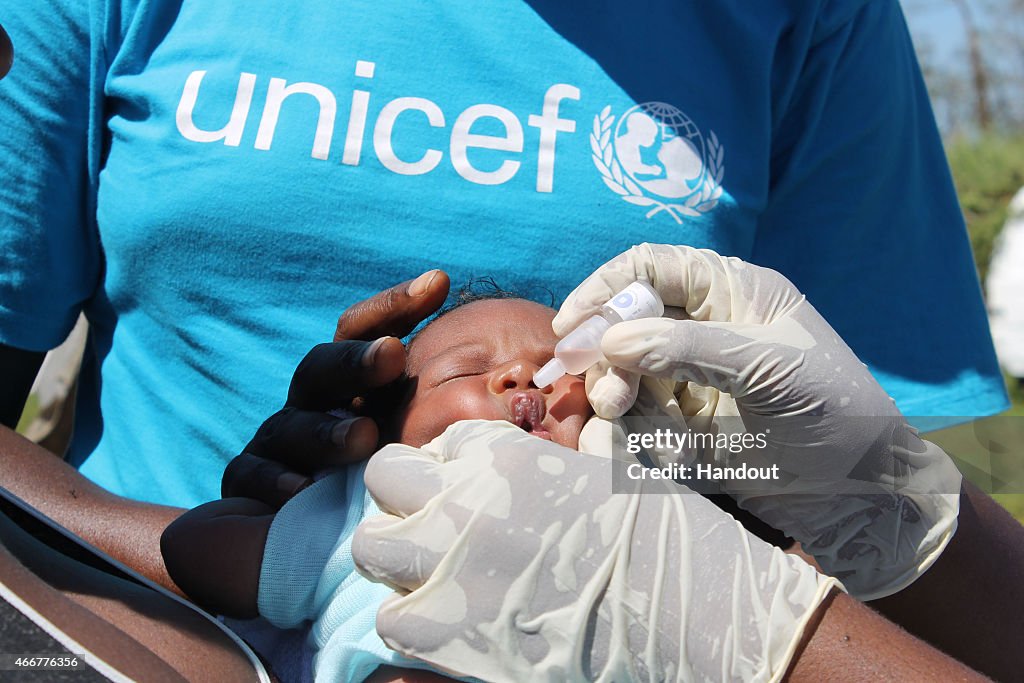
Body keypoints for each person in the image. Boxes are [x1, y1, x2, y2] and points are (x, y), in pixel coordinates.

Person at [0, 0, 1011, 676]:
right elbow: (166, 554)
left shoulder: (811, 19)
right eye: (470, 369)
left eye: (554, 367)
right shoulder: (348, 522)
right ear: (370, 422)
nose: (529, 383)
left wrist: (827, 532)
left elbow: (920, 580)